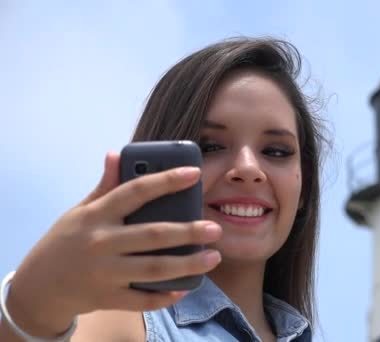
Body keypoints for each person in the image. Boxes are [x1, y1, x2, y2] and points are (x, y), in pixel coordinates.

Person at [0, 36, 328, 342]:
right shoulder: (123, 320)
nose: (247, 168)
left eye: (276, 151)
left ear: (305, 188)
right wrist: (32, 307)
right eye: (210, 145)